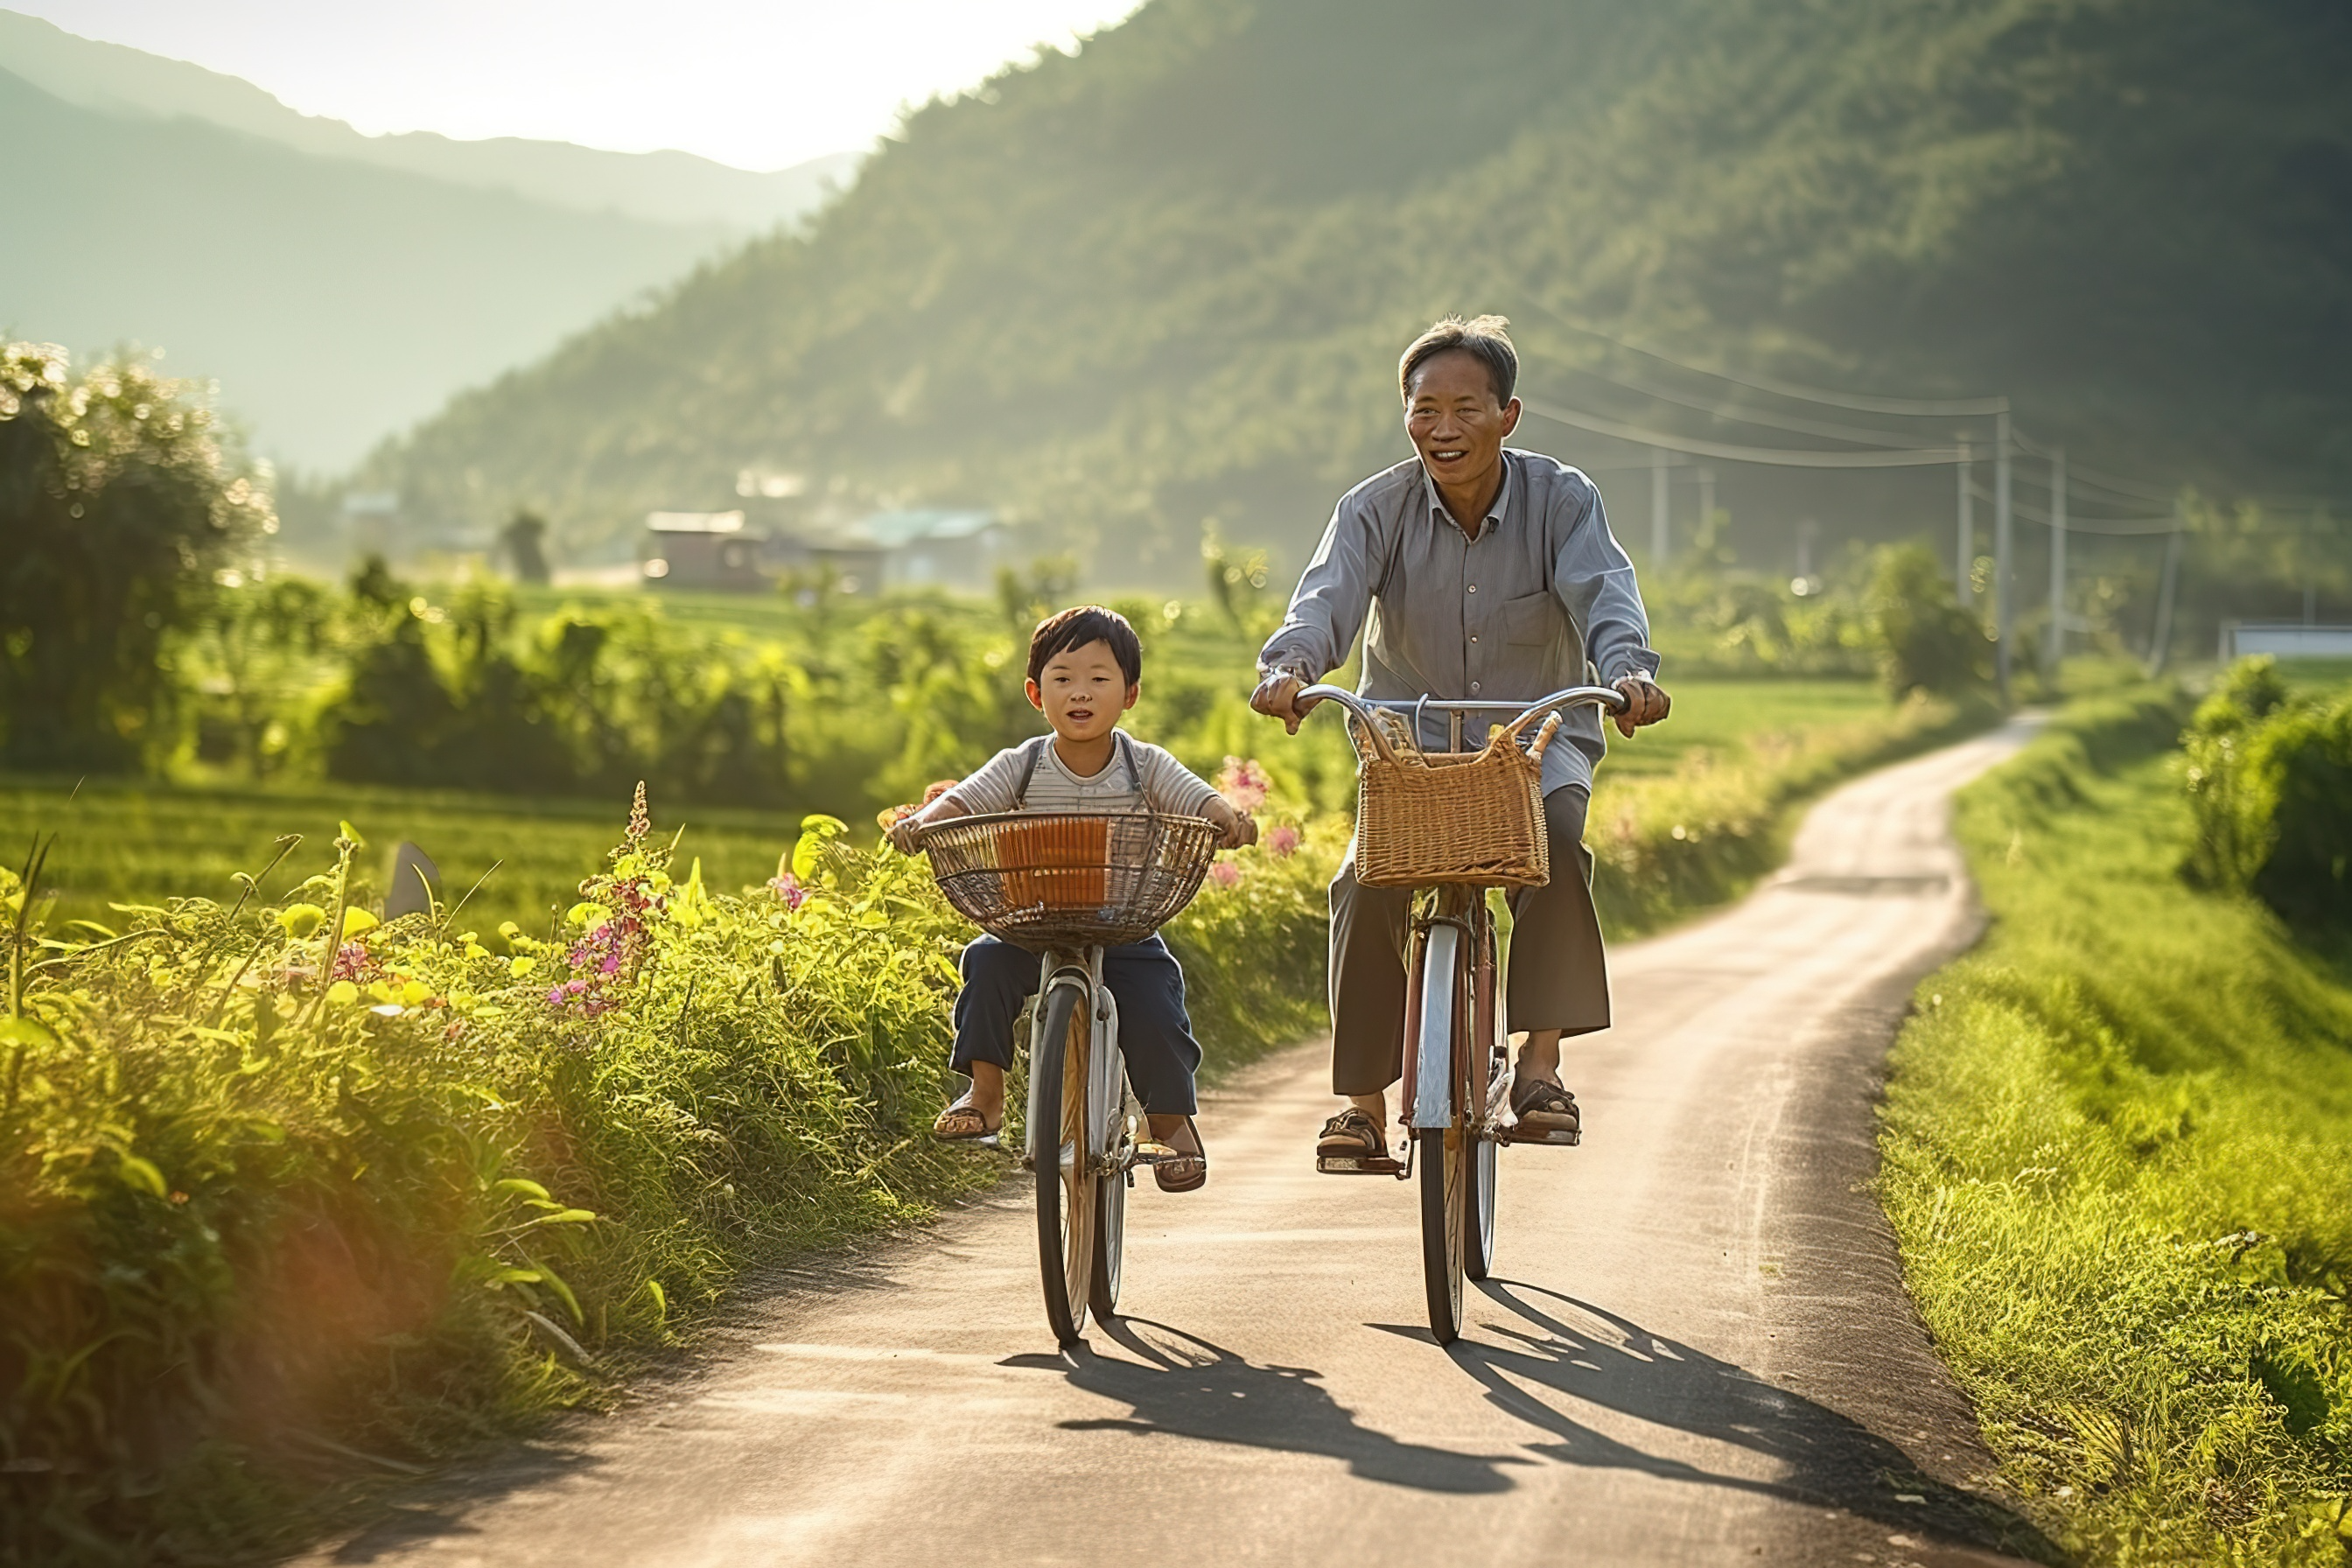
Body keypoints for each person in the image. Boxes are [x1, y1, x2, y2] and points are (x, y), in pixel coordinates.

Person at [1249, 314, 1671, 1166]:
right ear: (1404, 415)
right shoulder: (1374, 508)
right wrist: (1289, 668)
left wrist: (1629, 673)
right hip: (1409, 742)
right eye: (1424, 408)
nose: (1443, 428)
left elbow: (1606, 597)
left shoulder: (1563, 500)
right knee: (1365, 882)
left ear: (1509, 415)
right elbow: (1324, 601)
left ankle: (1542, 1068)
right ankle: (1363, 1106)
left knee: (1552, 843)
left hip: (1532, 734)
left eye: (1466, 408)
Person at [889, 605, 1256, 1192]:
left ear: (1129, 693)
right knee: (984, 961)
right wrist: (922, 824)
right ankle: (986, 1095)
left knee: (1158, 998)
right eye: (1063, 679)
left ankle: (1168, 1121)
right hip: (1032, 920)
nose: (1079, 692)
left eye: (1098, 678)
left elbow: (1198, 798)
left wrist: (1227, 818)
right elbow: (959, 803)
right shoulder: (1024, 764)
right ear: (1037, 693)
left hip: (1124, 923)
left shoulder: (1144, 765)